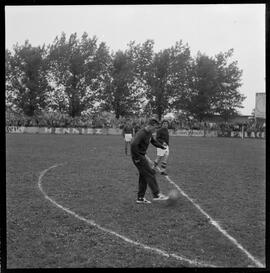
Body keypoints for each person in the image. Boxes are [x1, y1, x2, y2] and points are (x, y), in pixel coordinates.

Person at [130, 117, 168, 204]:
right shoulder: (142, 133)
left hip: (141, 156)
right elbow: (133, 145)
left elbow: (153, 141)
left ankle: (140, 198)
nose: (155, 130)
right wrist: (136, 158)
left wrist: (161, 146)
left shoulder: (149, 133)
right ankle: (157, 194)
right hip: (138, 157)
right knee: (150, 173)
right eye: (155, 127)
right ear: (151, 125)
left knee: (144, 176)